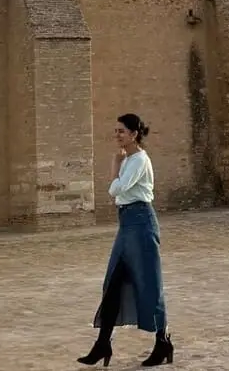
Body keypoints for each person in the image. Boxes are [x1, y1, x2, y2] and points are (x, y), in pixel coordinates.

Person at [77, 113, 174, 367]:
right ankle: (102, 344)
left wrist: (114, 168)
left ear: (134, 134)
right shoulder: (130, 158)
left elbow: (118, 189)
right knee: (113, 283)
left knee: (150, 283)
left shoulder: (139, 159)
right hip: (127, 225)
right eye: (116, 130)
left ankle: (163, 342)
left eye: (121, 131)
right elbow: (120, 193)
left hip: (141, 224)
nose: (117, 135)